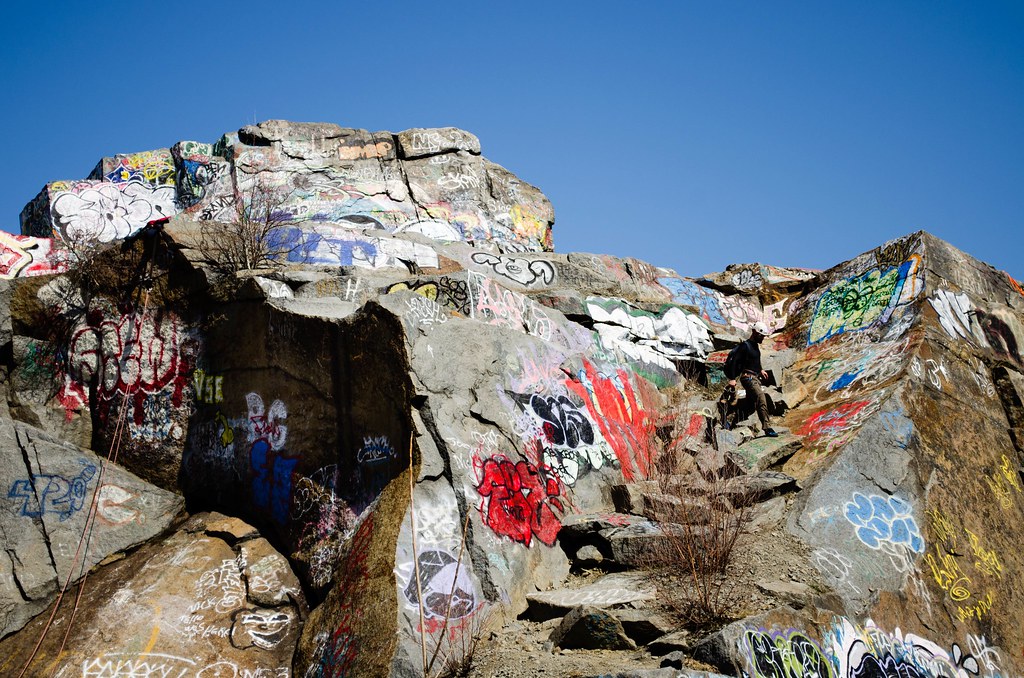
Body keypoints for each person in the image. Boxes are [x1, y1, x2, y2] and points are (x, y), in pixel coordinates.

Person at [718, 322, 777, 437]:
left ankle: (729, 422)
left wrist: (760, 370)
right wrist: (732, 378)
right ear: (754, 332)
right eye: (761, 335)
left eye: (763, 336)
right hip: (748, 378)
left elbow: (753, 361)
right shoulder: (745, 346)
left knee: (750, 405)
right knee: (760, 397)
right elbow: (734, 361)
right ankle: (767, 427)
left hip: (755, 377)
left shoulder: (755, 346)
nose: (763, 338)